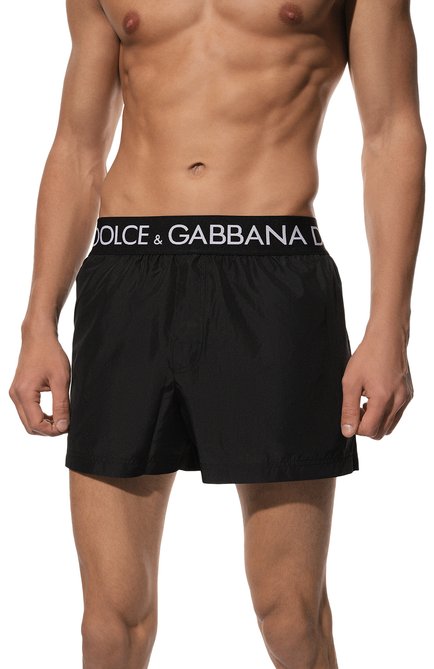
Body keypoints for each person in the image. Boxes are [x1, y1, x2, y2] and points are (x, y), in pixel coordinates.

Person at [9, 1, 425, 667]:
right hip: (128, 269)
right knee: (108, 626)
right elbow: (78, 145)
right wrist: (38, 322)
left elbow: (391, 131)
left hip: (274, 270)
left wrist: (390, 327)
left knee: (289, 614)